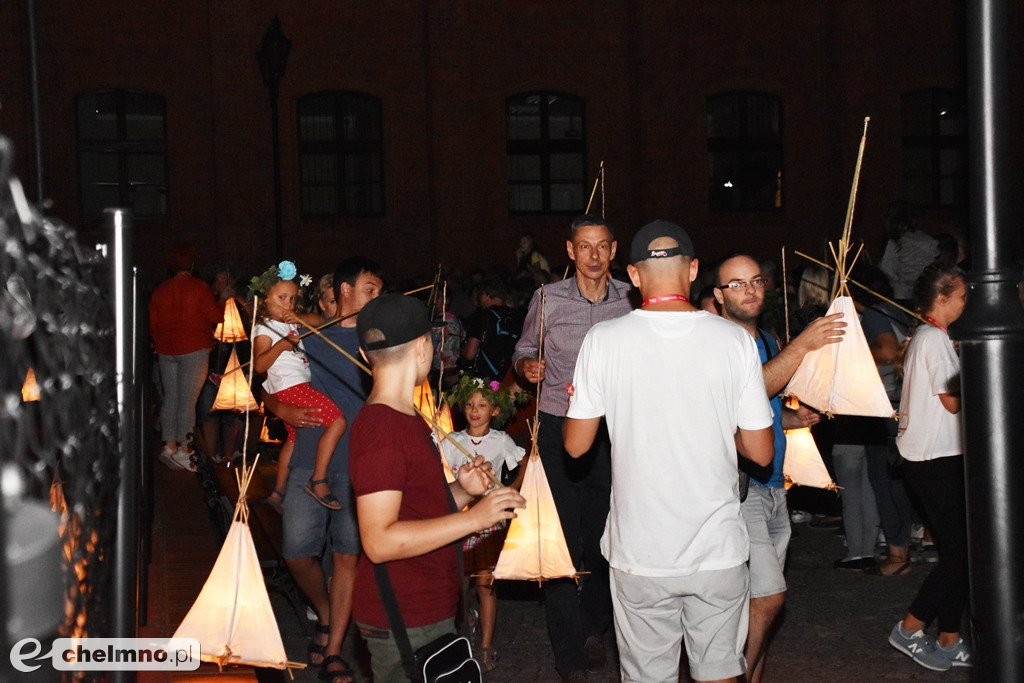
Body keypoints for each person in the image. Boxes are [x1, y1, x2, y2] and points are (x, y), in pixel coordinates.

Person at [564, 220, 775, 683]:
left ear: (634, 276)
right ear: (694, 270)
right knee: (720, 673)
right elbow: (761, 453)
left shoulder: (602, 342)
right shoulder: (736, 341)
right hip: (716, 549)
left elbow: (576, 447)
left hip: (640, 552)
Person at [348, 293, 526, 681]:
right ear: (422, 347)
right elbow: (379, 540)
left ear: (365, 354)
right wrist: (474, 519)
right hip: (405, 612)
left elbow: (412, 510)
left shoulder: (407, 416)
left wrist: (462, 493)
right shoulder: (382, 428)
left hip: (425, 604)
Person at [512, 213, 633, 682]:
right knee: (561, 540)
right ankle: (568, 654)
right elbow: (524, 349)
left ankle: (593, 628)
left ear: (614, 249)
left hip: (611, 432)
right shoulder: (547, 299)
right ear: (570, 251)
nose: (594, 256)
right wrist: (527, 368)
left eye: (602, 246)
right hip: (558, 429)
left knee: (606, 535)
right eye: (585, 247)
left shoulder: (630, 299)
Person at [713, 253, 846, 682]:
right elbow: (751, 390)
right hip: (742, 489)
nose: (750, 290)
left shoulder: (768, 340)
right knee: (769, 597)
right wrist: (803, 344)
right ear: (718, 295)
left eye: (756, 281)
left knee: (759, 601)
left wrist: (792, 419)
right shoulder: (721, 344)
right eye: (737, 284)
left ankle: (749, 675)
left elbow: (760, 409)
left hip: (774, 487)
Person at [262, 256, 383, 683]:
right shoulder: (313, 335)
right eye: (370, 289)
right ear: (346, 291)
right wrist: (278, 407)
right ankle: (329, 611)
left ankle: (334, 649)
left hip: (356, 465)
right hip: (310, 456)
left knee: (348, 555)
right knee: (296, 551)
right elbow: (269, 378)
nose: (376, 298)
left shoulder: (379, 343)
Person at [888, 261, 972, 671]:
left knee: (963, 553)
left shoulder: (931, 336)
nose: (967, 302)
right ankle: (908, 629)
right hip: (932, 460)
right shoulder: (934, 340)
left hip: (937, 456)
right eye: (962, 295)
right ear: (942, 299)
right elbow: (953, 400)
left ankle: (949, 639)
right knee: (960, 557)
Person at [441, 374, 527, 672]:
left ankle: (486, 645)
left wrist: (511, 489)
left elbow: (524, 463)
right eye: (469, 404)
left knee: (485, 584)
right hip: (461, 519)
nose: (475, 410)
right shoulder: (452, 441)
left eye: (482, 404)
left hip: (490, 522)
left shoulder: (501, 441)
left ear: (495, 410)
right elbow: (441, 479)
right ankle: (465, 630)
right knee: (460, 583)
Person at [252, 260, 347, 511]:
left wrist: (296, 318)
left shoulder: (290, 322)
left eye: (293, 299)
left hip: (295, 387)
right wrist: (282, 345)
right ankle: (318, 479)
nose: (288, 305)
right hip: (291, 388)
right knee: (338, 422)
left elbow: (317, 318)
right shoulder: (264, 327)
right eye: (282, 298)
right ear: (264, 300)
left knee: (292, 440)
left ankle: (278, 490)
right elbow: (259, 366)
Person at [149, 243, 222, 471]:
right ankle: (185, 450)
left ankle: (169, 446)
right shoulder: (199, 288)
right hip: (194, 348)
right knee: (188, 401)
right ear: (191, 265)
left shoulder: (160, 291)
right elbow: (216, 316)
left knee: (171, 397)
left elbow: (153, 325)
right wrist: (222, 297)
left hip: (166, 350)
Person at [459, 277, 522, 383]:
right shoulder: (518, 316)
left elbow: (470, 353)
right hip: (512, 378)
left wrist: (461, 348)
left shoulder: (481, 316)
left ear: (485, 295)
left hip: (487, 380)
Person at [879, 200, 939, 304]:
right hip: (927, 293)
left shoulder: (896, 242)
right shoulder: (928, 240)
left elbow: (886, 271)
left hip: (902, 296)